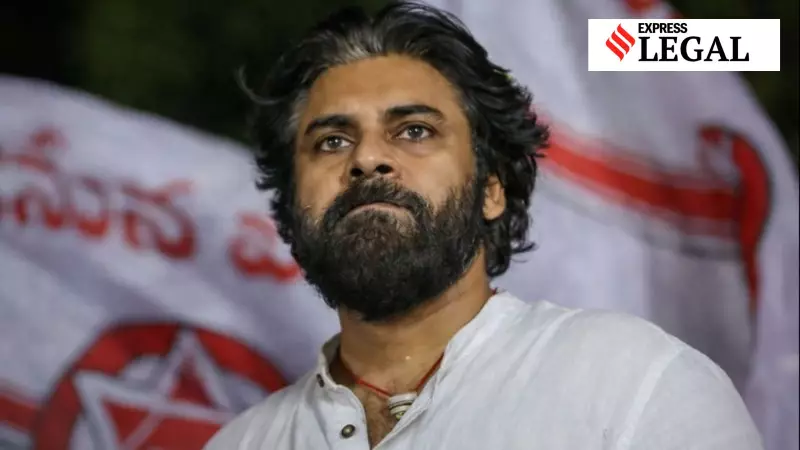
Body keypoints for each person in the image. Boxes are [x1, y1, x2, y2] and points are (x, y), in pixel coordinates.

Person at [205, 2, 763, 449]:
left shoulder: (638, 385)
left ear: (492, 189)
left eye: (414, 130)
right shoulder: (241, 442)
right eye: (332, 141)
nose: (367, 158)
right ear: (293, 204)